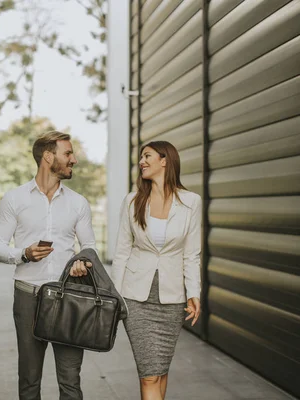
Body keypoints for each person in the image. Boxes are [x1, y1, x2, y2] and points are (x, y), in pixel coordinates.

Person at [0, 130, 96, 400]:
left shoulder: (78, 203)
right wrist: (24, 254)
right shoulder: (15, 199)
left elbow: (90, 247)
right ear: (48, 157)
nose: (74, 159)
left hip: (69, 297)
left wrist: (82, 260)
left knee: (71, 382)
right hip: (29, 296)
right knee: (29, 380)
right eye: (68, 153)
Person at [111, 141, 202, 400]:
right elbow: (121, 252)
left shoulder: (190, 202)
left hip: (172, 300)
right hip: (135, 298)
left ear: (165, 160)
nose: (141, 161)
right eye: (141, 157)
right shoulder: (132, 201)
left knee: (160, 371)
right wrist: (115, 297)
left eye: (147, 156)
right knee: (149, 373)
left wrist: (194, 293)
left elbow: (192, 254)